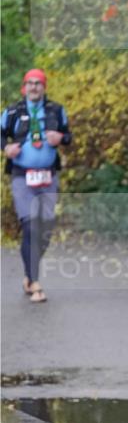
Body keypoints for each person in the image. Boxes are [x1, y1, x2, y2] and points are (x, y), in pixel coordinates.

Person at [2, 69, 72, 303]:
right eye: (30, 83)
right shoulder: (12, 112)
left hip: (48, 177)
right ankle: (35, 282)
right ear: (24, 87)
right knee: (31, 225)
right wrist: (6, 148)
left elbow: (69, 136)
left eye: (38, 83)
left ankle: (28, 275)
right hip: (22, 177)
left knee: (45, 229)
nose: (34, 87)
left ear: (44, 87)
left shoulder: (56, 110)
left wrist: (61, 139)